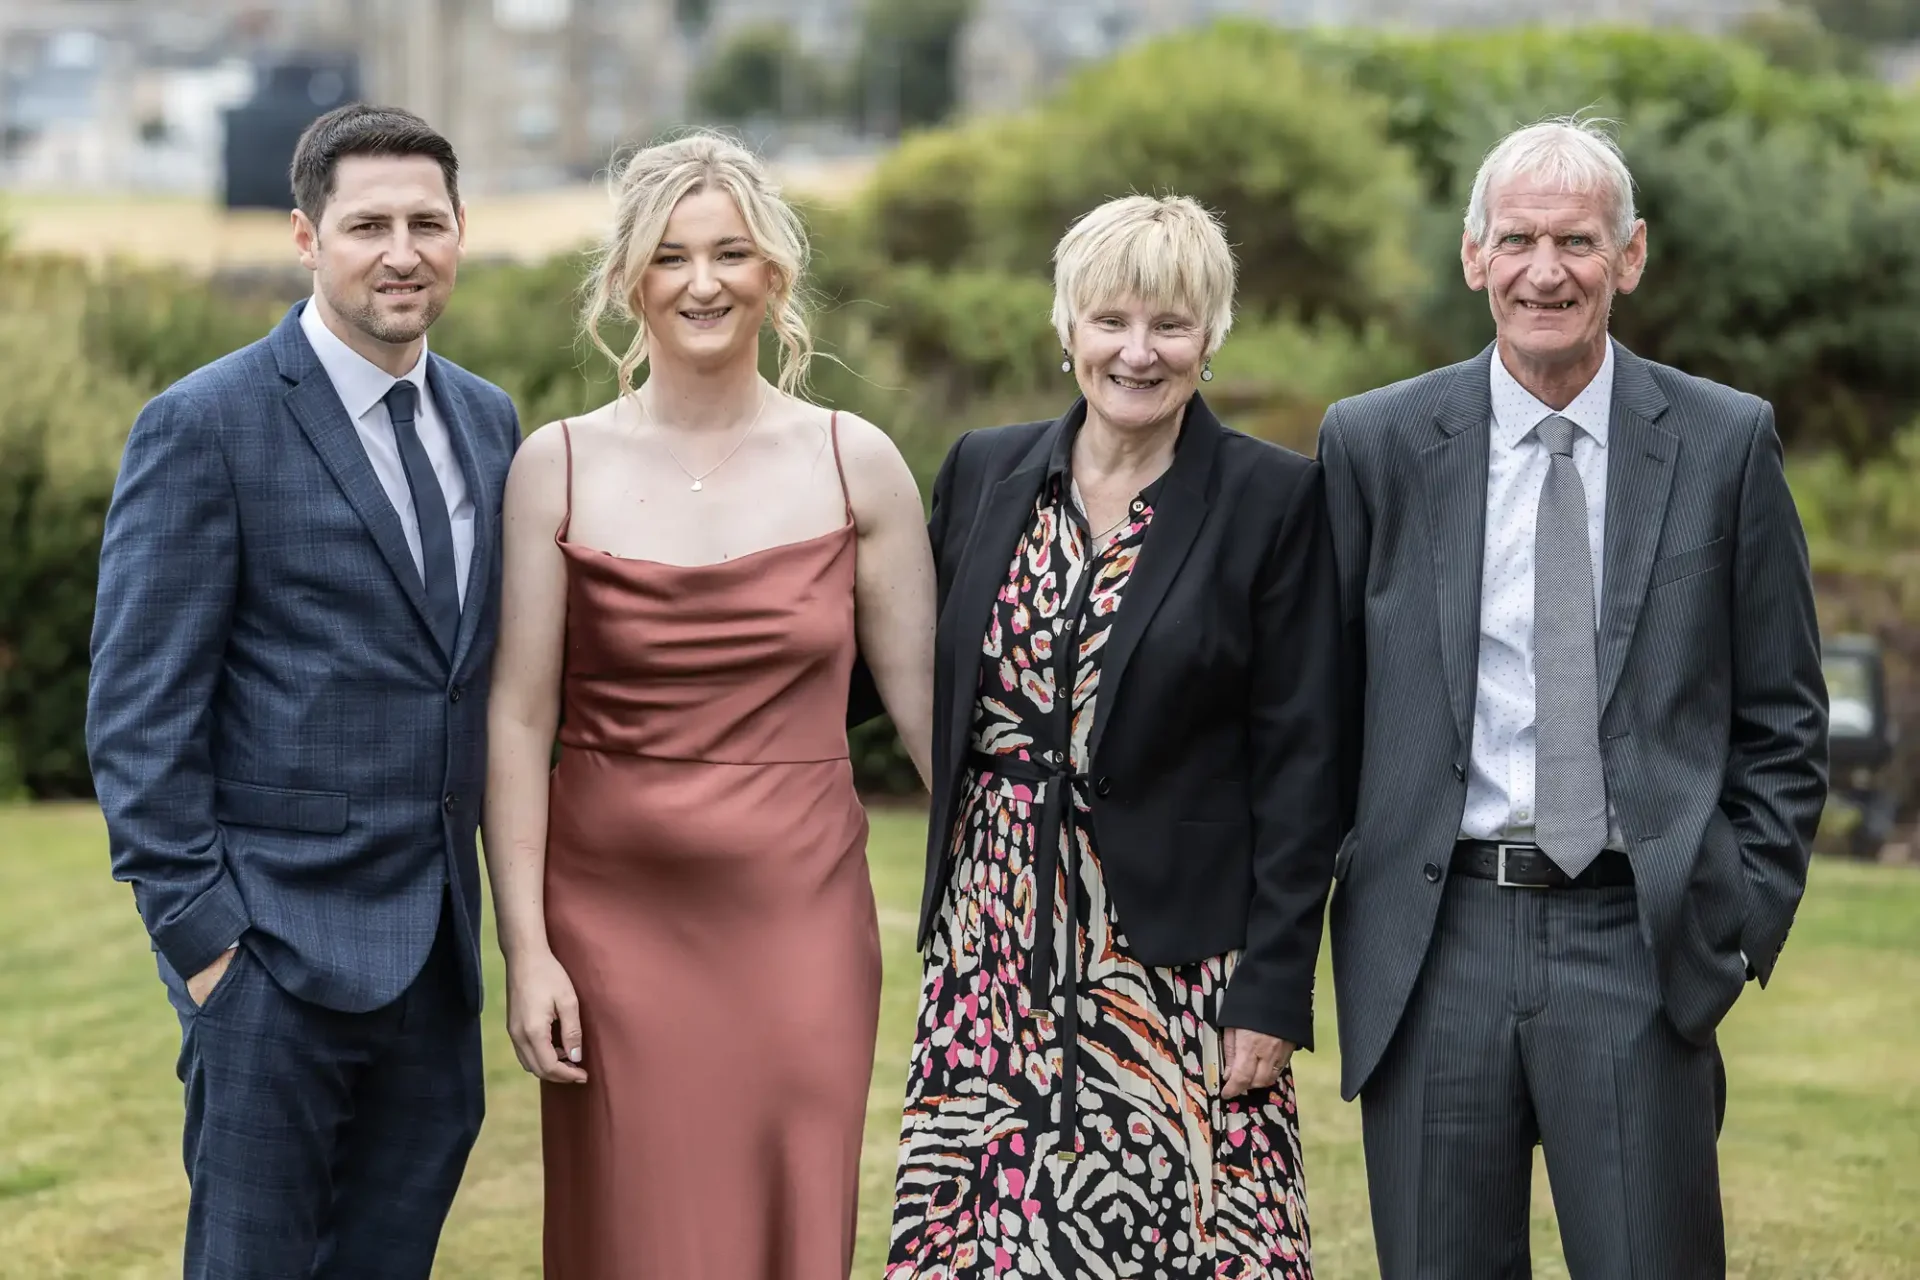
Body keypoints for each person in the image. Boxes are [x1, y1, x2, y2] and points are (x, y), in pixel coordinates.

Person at [1319, 117, 1829, 1278]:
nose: (1545, 271)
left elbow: (1786, 716)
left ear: (1630, 255)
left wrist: (1734, 916)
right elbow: (1321, 709)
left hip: (1634, 939)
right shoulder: (1375, 443)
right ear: (1473, 257)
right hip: (1434, 941)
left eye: (1577, 241)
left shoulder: (1722, 441)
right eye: (1518, 239)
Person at [482, 130, 936, 1279]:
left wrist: (1032, 880)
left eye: (731, 252)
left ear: (773, 273)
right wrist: (527, 949)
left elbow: (935, 715)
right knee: (634, 1231)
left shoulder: (856, 462)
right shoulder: (557, 466)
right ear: (629, 279)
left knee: (788, 1208)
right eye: (672, 256)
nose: (703, 281)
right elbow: (520, 719)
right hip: (609, 918)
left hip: (799, 917)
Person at [85, 104, 519, 1280]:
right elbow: (137, 720)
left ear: (461, 231)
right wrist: (208, 947)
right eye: (367, 223)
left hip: (435, 958)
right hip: (269, 957)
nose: (401, 250)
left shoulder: (489, 423)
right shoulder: (204, 424)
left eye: (427, 222)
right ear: (305, 236)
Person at [885, 194, 1342, 1279]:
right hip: (990, 938)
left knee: (1165, 1239)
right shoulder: (983, 471)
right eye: (1111, 320)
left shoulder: (1273, 499)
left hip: (1172, 961)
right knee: (987, 1244)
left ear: (1211, 337)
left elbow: (1304, 765)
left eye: (1171, 325)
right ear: (1067, 326)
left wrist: (1273, 987)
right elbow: (890, 664)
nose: (1138, 352)